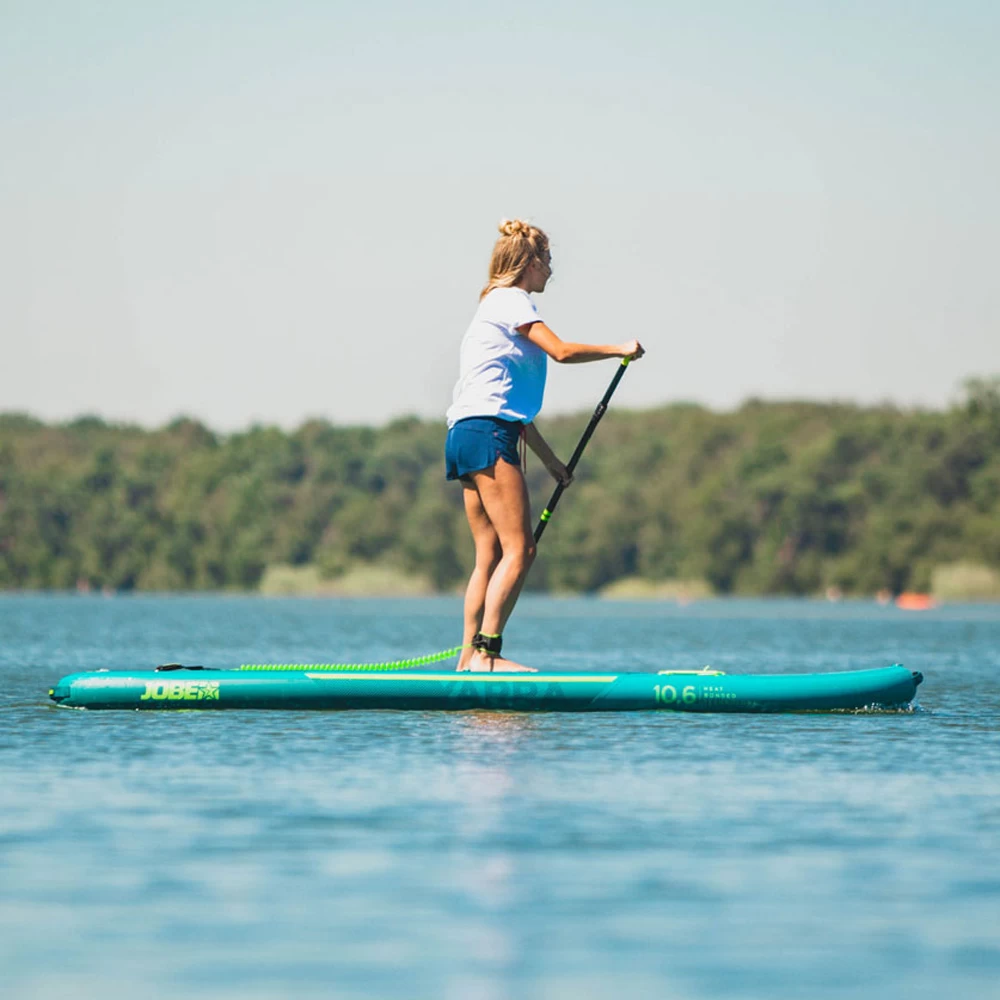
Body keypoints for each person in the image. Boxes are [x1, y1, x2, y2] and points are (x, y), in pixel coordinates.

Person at [445, 219, 644, 672]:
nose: (552, 270)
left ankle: (466, 659)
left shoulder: (489, 305)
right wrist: (619, 349)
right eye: (548, 261)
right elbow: (561, 351)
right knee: (522, 549)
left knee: (489, 555)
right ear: (529, 263)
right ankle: (487, 656)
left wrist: (550, 461)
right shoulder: (513, 300)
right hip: (489, 434)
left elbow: (507, 407)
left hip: (465, 435)